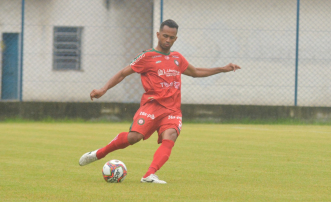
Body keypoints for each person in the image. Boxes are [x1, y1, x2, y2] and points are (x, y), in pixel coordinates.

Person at [79, 19, 241, 184]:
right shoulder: (147, 56)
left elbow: (196, 71)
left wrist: (222, 69)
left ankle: (149, 175)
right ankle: (99, 153)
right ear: (158, 35)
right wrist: (103, 89)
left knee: (170, 135)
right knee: (134, 137)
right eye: (165, 36)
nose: (168, 40)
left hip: (172, 110)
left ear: (175, 38)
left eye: (171, 37)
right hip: (152, 106)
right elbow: (122, 74)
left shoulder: (177, 58)